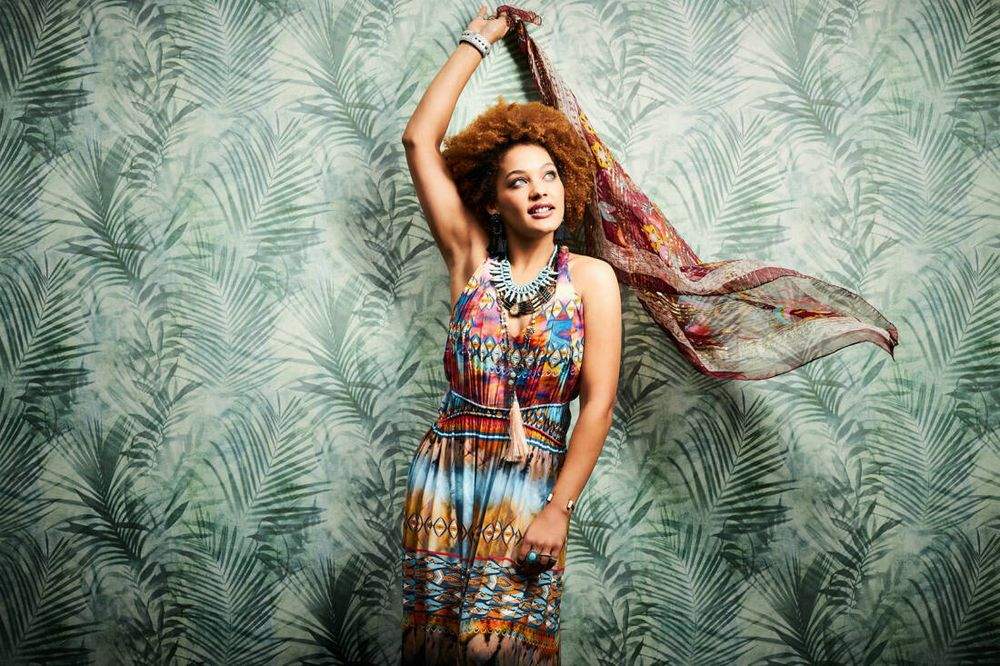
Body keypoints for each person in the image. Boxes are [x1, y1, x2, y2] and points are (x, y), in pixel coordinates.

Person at [399, 4, 621, 664]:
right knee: (438, 649)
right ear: (494, 201)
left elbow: (598, 404)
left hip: (534, 480)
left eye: (549, 176)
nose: (538, 191)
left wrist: (558, 510)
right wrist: (480, 37)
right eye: (518, 181)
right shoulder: (469, 259)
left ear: (566, 186)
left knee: (494, 651)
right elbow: (418, 142)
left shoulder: (592, 279)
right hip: (446, 472)